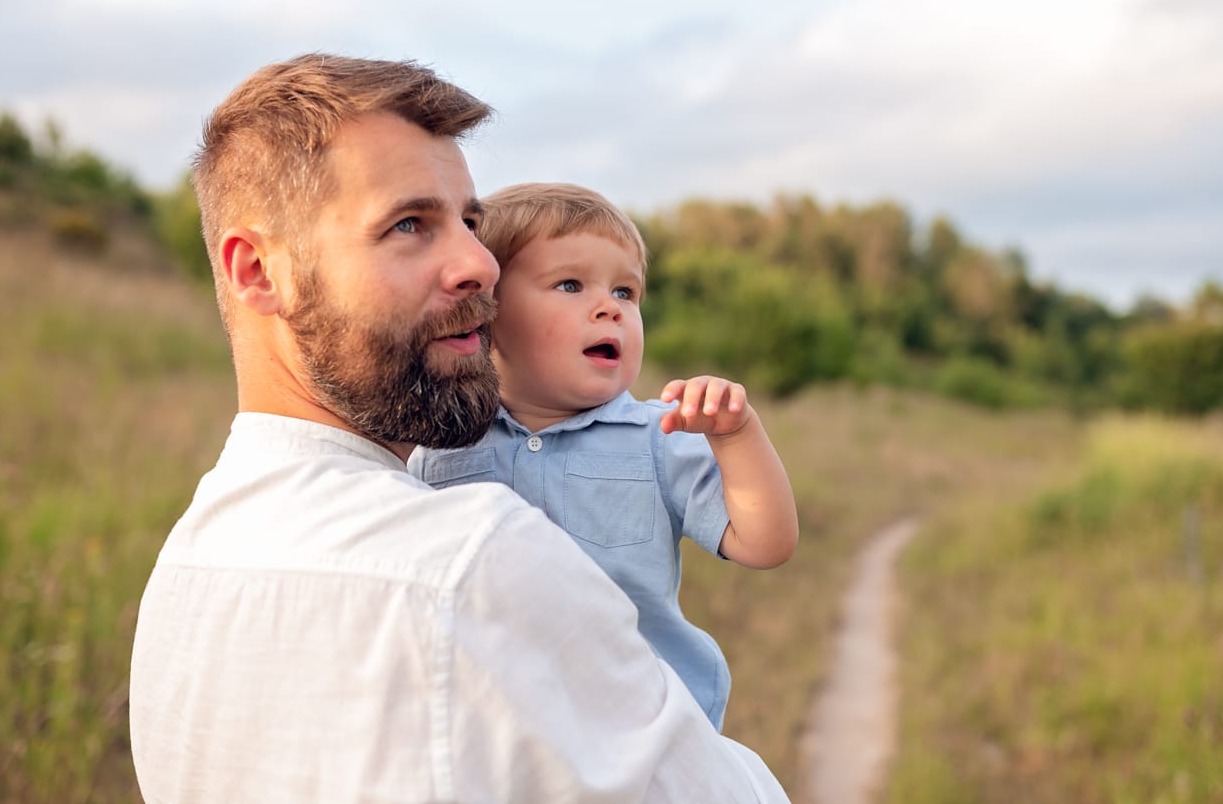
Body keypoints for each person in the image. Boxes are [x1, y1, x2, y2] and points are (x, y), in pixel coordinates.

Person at [128, 53, 790, 803]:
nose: (481, 264)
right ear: (257, 271)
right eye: (409, 224)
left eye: (470, 224)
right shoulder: (475, 558)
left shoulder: (184, 572)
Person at [409, 183, 798, 731]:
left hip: (641, 731)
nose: (609, 308)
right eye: (570, 285)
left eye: (626, 292)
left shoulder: (659, 435)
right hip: (494, 731)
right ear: (487, 311)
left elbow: (766, 543)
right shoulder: (440, 443)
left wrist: (737, 437)